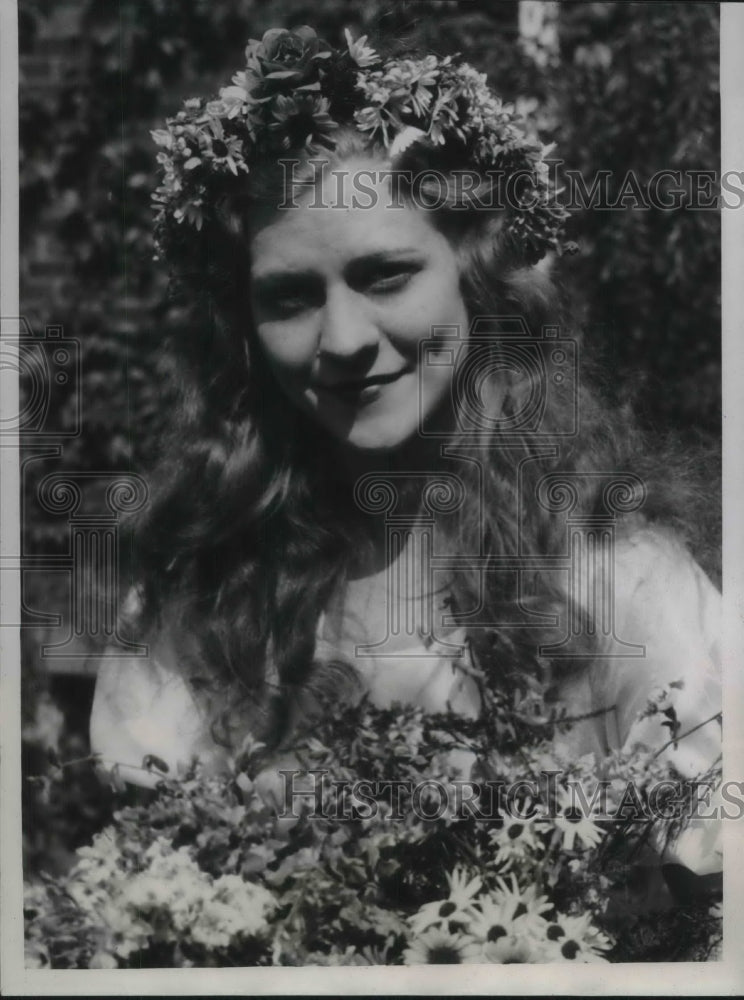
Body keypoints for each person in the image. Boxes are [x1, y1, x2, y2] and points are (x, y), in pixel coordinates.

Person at [90, 26, 721, 885]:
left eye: (385, 275)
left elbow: (710, 893)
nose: (344, 338)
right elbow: (145, 887)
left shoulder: (612, 569)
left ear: (477, 276)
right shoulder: (202, 589)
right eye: (289, 297)